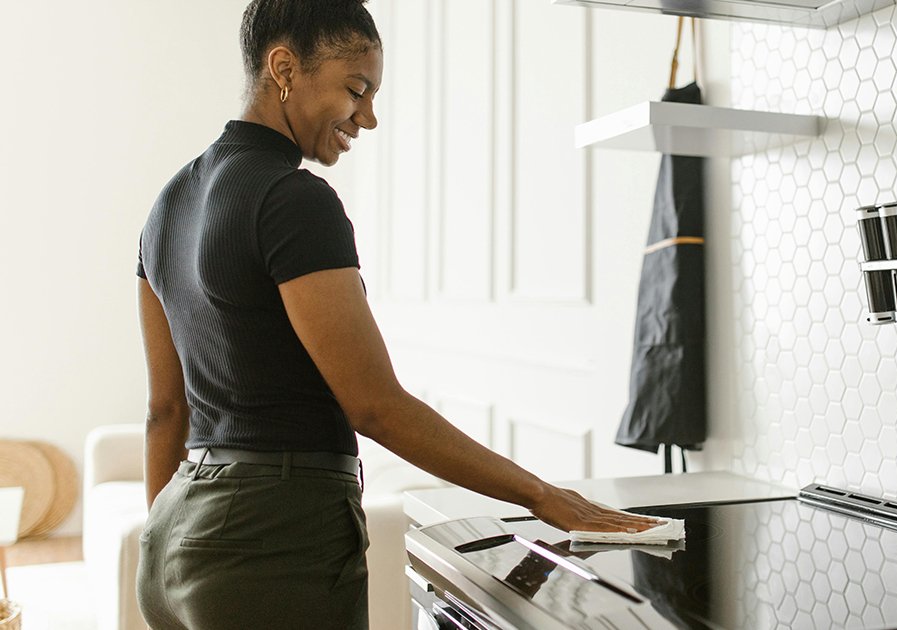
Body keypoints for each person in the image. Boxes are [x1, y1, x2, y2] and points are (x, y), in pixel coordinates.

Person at [133, 1, 659, 628]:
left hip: (173, 540)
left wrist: (173, 538)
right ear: (283, 68)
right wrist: (543, 496)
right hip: (272, 542)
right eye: (356, 90)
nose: (369, 117)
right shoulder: (293, 199)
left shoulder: (165, 206)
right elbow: (375, 405)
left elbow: (164, 411)